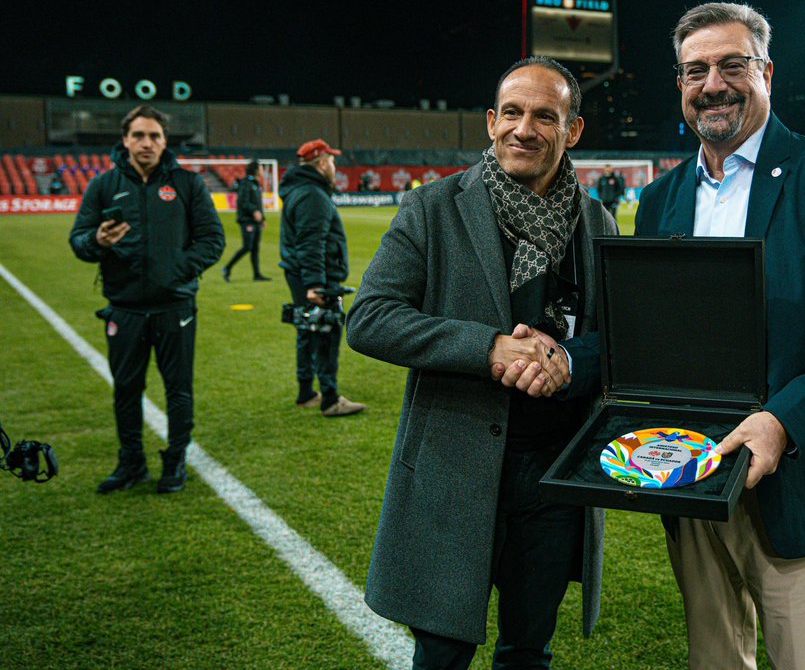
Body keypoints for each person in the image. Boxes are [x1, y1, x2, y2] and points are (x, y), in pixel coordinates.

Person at [634, 3, 805, 669]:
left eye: (732, 65)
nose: (713, 84)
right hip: (694, 479)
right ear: (679, 83)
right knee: (714, 660)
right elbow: (648, 334)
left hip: (802, 477)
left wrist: (781, 422)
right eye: (694, 70)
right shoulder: (659, 200)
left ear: (766, 73)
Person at [345, 57, 617, 669]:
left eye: (545, 116)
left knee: (528, 650)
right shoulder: (434, 208)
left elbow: (621, 341)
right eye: (513, 113)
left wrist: (568, 361)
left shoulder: (597, 222)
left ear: (572, 130)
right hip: (456, 468)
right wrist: (489, 349)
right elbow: (369, 318)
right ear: (491, 123)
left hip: (555, 476)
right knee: (442, 653)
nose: (525, 128)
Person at [69, 105, 225, 494]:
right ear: (124, 140)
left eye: (154, 135)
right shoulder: (103, 186)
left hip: (175, 307)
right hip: (125, 309)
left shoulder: (187, 184)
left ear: (164, 141)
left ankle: (175, 461)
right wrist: (97, 241)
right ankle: (131, 463)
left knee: (179, 389)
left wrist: (178, 269)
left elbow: (212, 239)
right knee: (126, 389)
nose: (146, 143)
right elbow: (79, 240)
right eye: (138, 135)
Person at [278, 139, 366, 417]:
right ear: (322, 163)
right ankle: (330, 398)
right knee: (327, 331)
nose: (334, 167)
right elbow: (311, 242)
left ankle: (306, 392)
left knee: (307, 330)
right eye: (332, 161)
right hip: (318, 278)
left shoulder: (299, 191)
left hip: (301, 274)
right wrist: (315, 284)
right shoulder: (312, 195)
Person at [223, 159, 270, 282]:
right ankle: (227, 268)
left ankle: (257, 275)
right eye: (260, 168)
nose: (262, 170)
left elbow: (258, 204)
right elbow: (243, 201)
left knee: (255, 248)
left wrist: (262, 219)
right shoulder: (246, 184)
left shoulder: (255, 184)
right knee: (247, 246)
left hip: (255, 221)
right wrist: (254, 211)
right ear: (255, 170)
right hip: (247, 220)